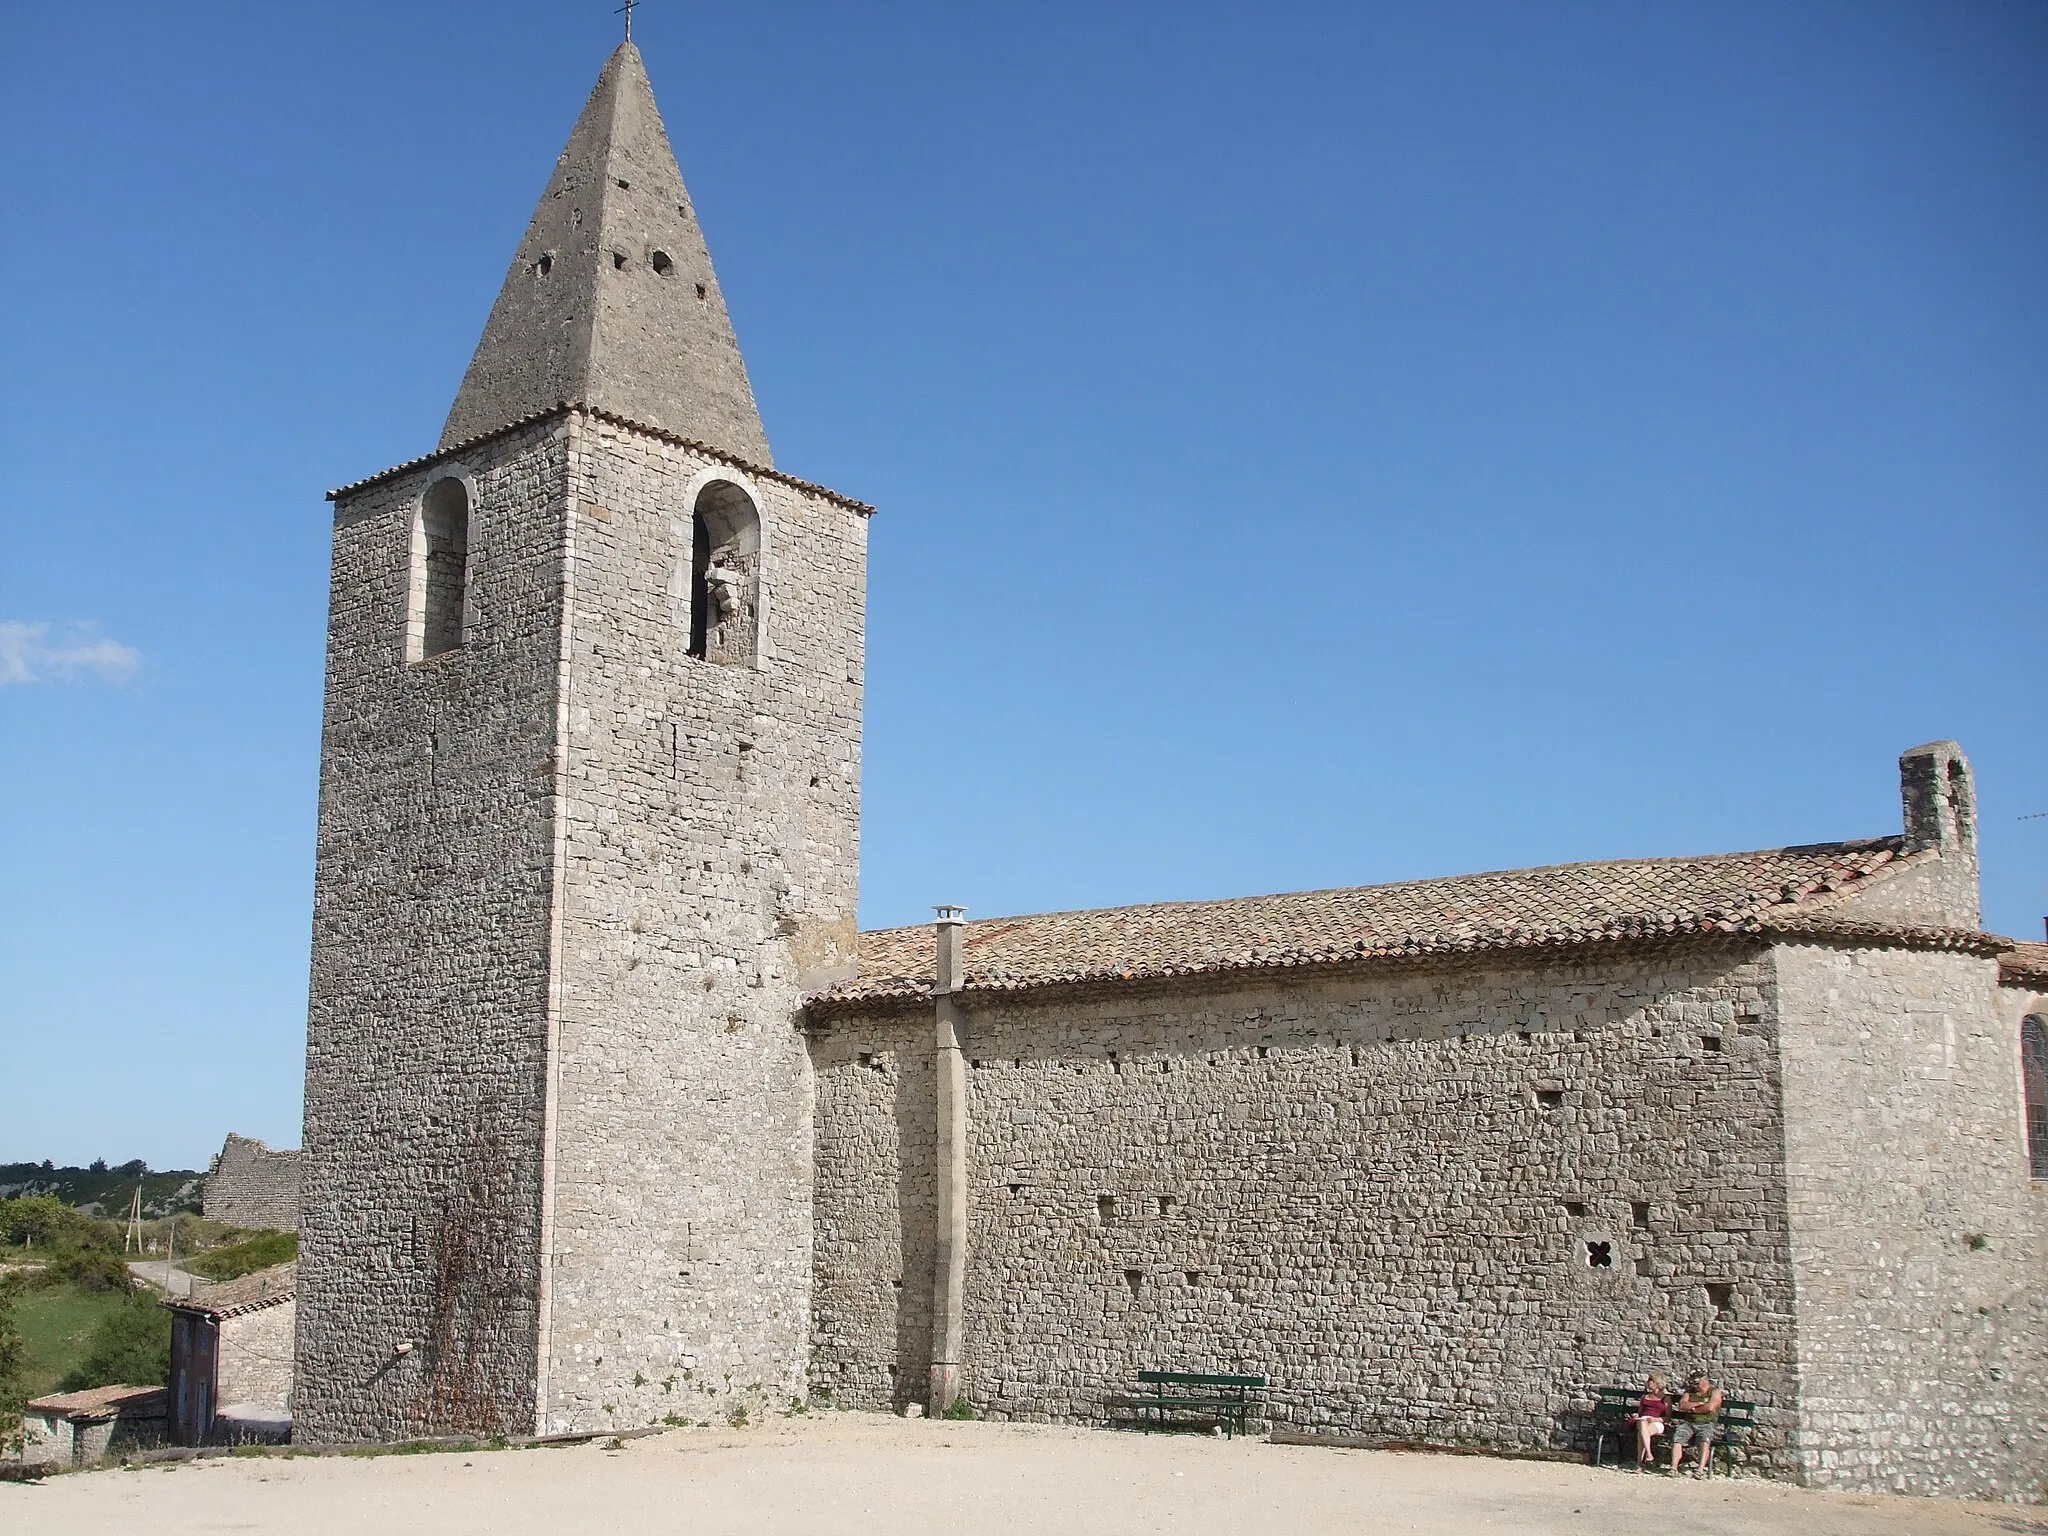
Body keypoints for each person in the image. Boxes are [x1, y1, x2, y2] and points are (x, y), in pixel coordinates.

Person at [1668, 1371, 1724, 1476]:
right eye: (1694, 1383)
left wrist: (1693, 1410)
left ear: (1705, 1381)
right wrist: (1698, 1404)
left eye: (1698, 1383)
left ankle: (1700, 1470)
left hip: (1707, 1422)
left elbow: (1711, 1407)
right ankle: (1673, 1468)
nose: (1696, 1386)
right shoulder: (1689, 1392)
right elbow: (1682, 1406)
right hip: (1689, 1422)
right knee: (1678, 1438)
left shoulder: (1714, 1392)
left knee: (1704, 1440)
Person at [1630, 1373, 1670, 1470]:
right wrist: (1636, 1416)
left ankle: (1639, 1463)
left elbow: (1667, 1418)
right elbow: (1640, 1413)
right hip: (1643, 1420)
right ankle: (1648, 1454)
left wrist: (1654, 1419)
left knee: (1642, 1432)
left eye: (1650, 1380)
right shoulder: (1645, 1397)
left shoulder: (1665, 1398)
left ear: (1656, 1383)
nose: (1647, 1382)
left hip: (1657, 1422)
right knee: (1642, 1424)